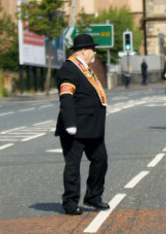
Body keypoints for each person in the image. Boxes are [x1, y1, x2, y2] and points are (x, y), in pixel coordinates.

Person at [55, 34, 109, 215]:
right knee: (73, 166)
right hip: (75, 128)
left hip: (92, 128)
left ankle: (93, 196)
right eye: (92, 49)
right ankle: (70, 202)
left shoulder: (85, 69)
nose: (94, 53)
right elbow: (66, 96)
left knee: (100, 160)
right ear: (84, 50)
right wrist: (69, 122)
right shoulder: (69, 69)